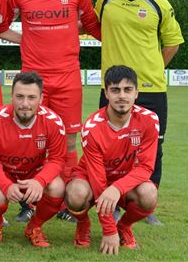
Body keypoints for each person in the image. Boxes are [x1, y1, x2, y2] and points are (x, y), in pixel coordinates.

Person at [6, 0, 101, 222]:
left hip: (68, 76)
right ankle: (28, 203)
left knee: (69, 142)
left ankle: (64, 204)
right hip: (33, 78)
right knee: (30, 140)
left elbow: (94, 25)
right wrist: (24, 40)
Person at [95, 0, 184, 225]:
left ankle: (147, 204)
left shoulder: (159, 3)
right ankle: (115, 201)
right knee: (111, 148)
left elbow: (173, 42)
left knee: (153, 148)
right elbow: (96, 30)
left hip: (151, 89)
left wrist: (153, 67)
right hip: (112, 90)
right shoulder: (105, 2)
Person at [65, 65, 159, 255]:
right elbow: (98, 181)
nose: (122, 96)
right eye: (115, 90)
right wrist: (108, 230)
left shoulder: (150, 120)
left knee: (149, 193)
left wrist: (117, 188)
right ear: (106, 93)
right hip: (92, 178)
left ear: (136, 93)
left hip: (124, 179)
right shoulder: (92, 127)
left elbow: (146, 167)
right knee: (76, 193)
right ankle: (83, 224)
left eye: (127, 90)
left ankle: (124, 227)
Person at [0, 72, 66, 246]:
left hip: (35, 174)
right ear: (11, 96)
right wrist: (6, 185)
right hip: (4, 174)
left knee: (57, 187)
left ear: (41, 98)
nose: (25, 104)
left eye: (31, 97)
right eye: (19, 97)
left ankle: (34, 226)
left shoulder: (53, 122)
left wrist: (39, 181)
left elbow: (57, 159)